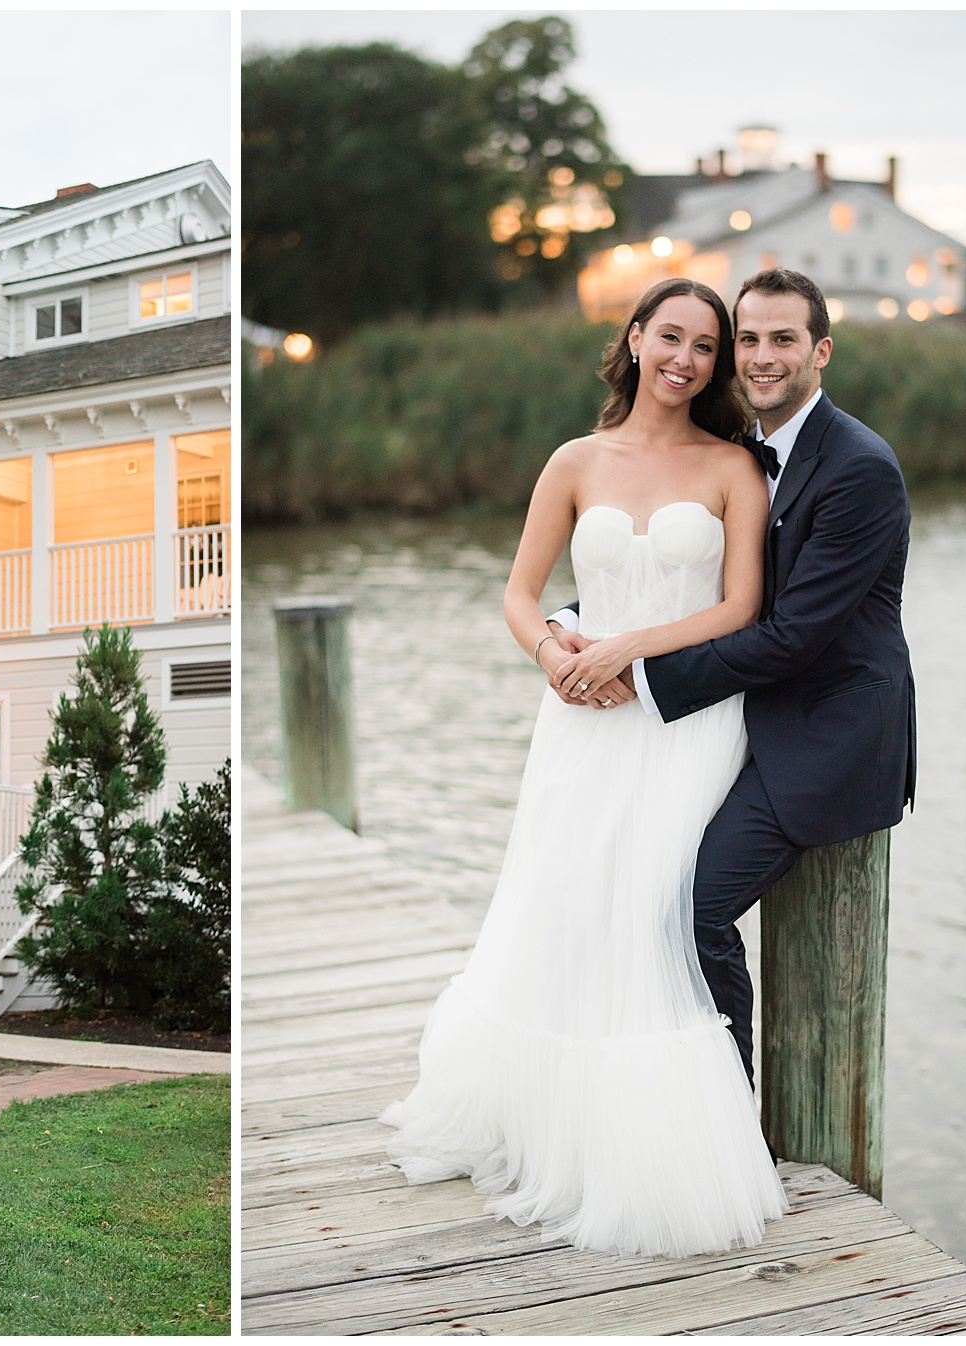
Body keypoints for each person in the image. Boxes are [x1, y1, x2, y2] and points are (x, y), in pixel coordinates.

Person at [381, 276, 788, 1258]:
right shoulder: (574, 459)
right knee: (568, 901)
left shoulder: (735, 466)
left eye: (706, 345)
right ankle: (557, 1130)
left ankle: (656, 1148)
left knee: (652, 906)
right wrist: (554, 652)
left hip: (684, 716)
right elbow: (521, 592)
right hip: (579, 714)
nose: (685, 358)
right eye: (671, 336)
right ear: (636, 337)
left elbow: (740, 608)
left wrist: (626, 647)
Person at [548, 268, 916, 1086]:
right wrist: (576, 626)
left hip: (821, 735)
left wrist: (637, 674)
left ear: (820, 351)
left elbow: (788, 637)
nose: (761, 356)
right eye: (748, 339)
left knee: (690, 907)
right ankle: (651, 1094)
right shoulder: (747, 455)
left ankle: (725, 1111)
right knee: (627, 888)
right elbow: (688, 577)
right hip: (736, 724)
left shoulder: (860, 468)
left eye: (783, 339)